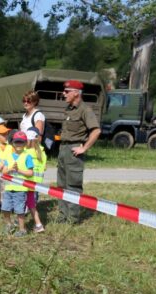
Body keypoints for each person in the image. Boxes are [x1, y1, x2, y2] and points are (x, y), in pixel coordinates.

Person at [57, 80, 100, 223]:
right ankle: (62, 216)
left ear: (76, 92)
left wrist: (84, 147)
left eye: (67, 91)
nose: (64, 94)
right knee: (61, 184)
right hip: (64, 149)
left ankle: (73, 218)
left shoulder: (85, 110)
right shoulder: (69, 109)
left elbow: (96, 130)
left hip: (74, 150)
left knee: (73, 185)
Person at [1, 131, 34, 237]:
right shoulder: (9, 157)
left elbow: (30, 172)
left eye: (21, 142)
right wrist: (10, 169)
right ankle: (9, 225)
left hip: (21, 189)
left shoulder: (27, 156)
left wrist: (19, 170)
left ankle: (22, 229)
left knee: (19, 211)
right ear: (13, 143)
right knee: (5, 208)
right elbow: (4, 171)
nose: (19, 144)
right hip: (9, 188)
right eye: (17, 142)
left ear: (25, 143)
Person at [22, 127, 47, 233]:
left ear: (29, 140)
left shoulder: (27, 152)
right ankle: (38, 224)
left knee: (25, 203)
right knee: (30, 203)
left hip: (27, 182)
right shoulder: (41, 152)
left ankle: (24, 223)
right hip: (36, 183)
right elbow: (44, 167)